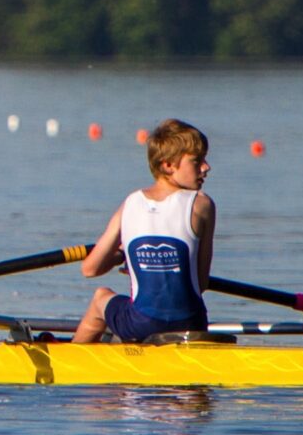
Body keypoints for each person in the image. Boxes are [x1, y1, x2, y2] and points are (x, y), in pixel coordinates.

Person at [74, 118, 216, 344]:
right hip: (192, 325)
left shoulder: (130, 204)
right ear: (168, 165)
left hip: (140, 326)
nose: (206, 167)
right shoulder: (203, 205)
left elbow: (90, 269)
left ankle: (72, 362)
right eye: (197, 161)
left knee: (101, 297)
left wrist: (126, 257)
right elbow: (201, 282)